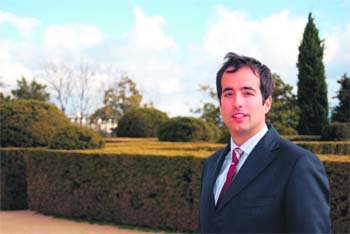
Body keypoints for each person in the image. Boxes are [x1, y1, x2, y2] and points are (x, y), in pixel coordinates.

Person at [198, 52, 331, 233]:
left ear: (267, 103)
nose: (237, 102)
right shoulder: (211, 164)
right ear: (220, 105)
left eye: (247, 93)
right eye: (228, 93)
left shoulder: (297, 164)